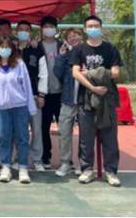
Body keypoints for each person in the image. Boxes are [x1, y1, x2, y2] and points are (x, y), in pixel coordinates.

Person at [70, 15, 123, 187]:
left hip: (107, 99)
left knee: (110, 138)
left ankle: (111, 172)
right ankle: (87, 170)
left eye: (96, 25)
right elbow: (76, 73)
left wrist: (91, 73)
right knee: (86, 138)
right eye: (90, 26)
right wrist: (93, 87)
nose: (93, 28)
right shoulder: (79, 49)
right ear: (85, 29)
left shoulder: (110, 48)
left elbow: (116, 73)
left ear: (101, 27)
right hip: (86, 99)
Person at [0, 37, 36, 184]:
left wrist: (31, 107)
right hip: (2, 108)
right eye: (1, 47)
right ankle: (6, 167)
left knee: (22, 137)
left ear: (12, 49)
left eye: (7, 47)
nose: (4, 50)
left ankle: (23, 168)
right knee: (4, 137)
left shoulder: (19, 65)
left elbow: (27, 86)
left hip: (20, 107)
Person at [16, 20, 48, 172]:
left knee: (36, 130)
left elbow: (43, 74)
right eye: (20, 29)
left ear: (30, 32)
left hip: (34, 97)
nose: (23, 32)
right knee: (19, 130)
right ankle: (18, 158)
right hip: (16, 98)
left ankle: (37, 160)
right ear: (16, 32)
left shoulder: (37, 49)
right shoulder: (10, 49)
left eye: (26, 30)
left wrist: (41, 94)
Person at [53, 28, 84, 177]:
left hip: (85, 101)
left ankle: (84, 164)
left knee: (85, 135)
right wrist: (61, 56)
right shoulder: (66, 55)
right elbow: (57, 73)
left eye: (76, 35)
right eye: (70, 36)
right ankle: (66, 162)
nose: (73, 38)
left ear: (81, 36)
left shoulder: (88, 53)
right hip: (67, 100)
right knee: (64, 132)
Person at [38, 15, 63, 169]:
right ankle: (45, 156)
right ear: (41, 29)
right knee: (43, 127)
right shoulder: (37, 46)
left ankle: (66, 158)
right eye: (46, 26)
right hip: (44, 94)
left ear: (56, 29)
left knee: (64, 128)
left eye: (51, 26)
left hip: (60, 93)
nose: (48, 29)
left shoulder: (62, 45)